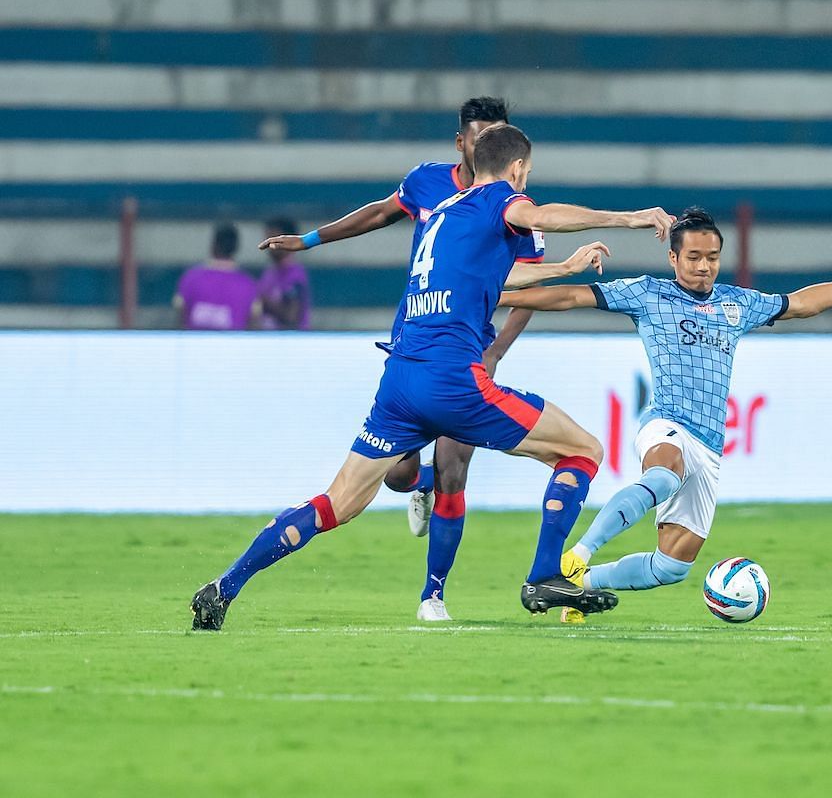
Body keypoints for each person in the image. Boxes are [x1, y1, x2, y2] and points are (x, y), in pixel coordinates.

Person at [190, 123, 675, 631]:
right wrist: (631, 217)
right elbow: (541, 215)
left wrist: (561, 269)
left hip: (400, 380)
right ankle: (544, 576)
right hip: (454, 381)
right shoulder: (499, 201)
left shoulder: (442, 215)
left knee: (338, 502)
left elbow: (495, 279)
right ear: (517, 169)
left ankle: (225, 586)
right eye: (526, 174)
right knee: (583, 450)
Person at [497, 207, 832, 623]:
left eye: (711, 257)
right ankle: (577, 556)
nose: (704, 266)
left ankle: (582, 584)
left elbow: (801, 304)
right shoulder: (647, 293)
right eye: (693, 258)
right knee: (664, 475)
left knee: (671, 566)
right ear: (673, 258)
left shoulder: (736, 303)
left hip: (708, 443)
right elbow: (570, 296)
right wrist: (495, 295)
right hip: (665, 422)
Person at [257, 97, 551, 623]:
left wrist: (497, 350)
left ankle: (432, 595)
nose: (490, 147)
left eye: (498, 137)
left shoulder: (518, 210)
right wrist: (310, 239)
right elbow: (378, 213)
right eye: (480, 137)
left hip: (466, 354)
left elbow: (524, 286)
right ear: (460, 142)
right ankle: (417, 487)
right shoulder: (427, 183)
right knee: (398, 474)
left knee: (455, 469)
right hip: (412, 348)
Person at [173, 224, 261, 330]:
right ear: (236, 248)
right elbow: (254, 323)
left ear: (213, 245)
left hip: (195, 344)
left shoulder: (191, 279)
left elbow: (180, 315)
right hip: (234, 345)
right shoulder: (248, 284)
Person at [259, 217, 311, 330]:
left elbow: (291, 316)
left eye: (274, 241)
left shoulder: (294, 275)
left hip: (289, 341)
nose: (270, 246)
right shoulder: (269, 272)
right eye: (267, 240)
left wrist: (264, 302)